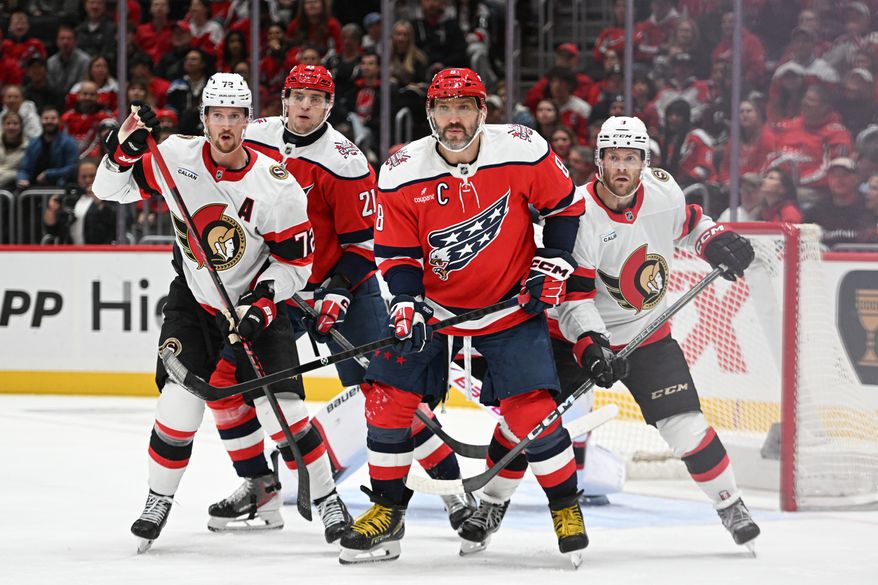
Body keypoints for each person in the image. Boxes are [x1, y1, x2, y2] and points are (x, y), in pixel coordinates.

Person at [91, 72, 351, 552]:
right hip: (195, 299)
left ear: (248, 120)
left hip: (255, 304)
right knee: (178, 403)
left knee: (285, 416)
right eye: (217, 115)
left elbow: (298, 264)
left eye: (235, 116)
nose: (226, 125)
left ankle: (331, 500)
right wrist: (122, 148)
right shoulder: (173, 157)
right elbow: (110, 190)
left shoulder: (276, 186)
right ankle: (157, 500)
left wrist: (264, 301)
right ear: (203, 118)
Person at [338, 68, 586, 565]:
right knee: (387, 400)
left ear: (483, 112)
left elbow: (565, 207)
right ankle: (387, 511)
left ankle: (566, 506)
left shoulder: (522, 147)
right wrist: (406, 301)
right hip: (435, 311)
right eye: (445, 108)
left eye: (465, 107)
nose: (455, 118)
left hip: (509, 306)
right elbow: (396, 252)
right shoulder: (403, 169)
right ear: (430, 113)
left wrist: (554, 260)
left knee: (533, 413)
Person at [241, 64, 476, 530]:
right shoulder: (251, 137)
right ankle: (260, 485)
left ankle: (454, 494)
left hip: (340, 286)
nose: (305, 106)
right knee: (259, 393)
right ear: (283, 99)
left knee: (386, 392)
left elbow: (365, 244)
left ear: (330, 107)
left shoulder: (345, 161)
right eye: (298, 96)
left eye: (316, 99)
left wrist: (339, 289)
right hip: (277, 288)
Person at [555, 115, 760, 550]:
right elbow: (574, 298)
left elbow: (690, 226)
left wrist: (716, 239)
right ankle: (492, 502)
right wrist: (592, 345)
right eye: (614, 158)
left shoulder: (663, 192)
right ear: (599, 161)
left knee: (685, 424)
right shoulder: (577, 211)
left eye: (631, 158)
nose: (623, 168)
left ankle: (730, 504)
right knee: (530, 422)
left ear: (644, 161)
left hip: (647, 334)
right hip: (573, 337)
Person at [43, 158, 121, 245]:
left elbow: (120, 224)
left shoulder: (110, 196)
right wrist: (51, 209)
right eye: (83, 177)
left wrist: (99, 201)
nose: (87, 180)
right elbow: (52, 229)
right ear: (77, 177)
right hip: (70, 251)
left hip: (100, 251)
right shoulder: (70, 197)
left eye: (92, 176)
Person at [16, 105, 78, 190]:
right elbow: (24, 168)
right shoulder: (33, 143)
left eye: (53, 118)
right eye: (46, 118)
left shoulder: (69, 142)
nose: (49, 121)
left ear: (59, 121)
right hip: (33, 188)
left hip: (59, 188)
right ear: (40, 120)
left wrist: (48, 174)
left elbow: (72, 168)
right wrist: (22, 178)